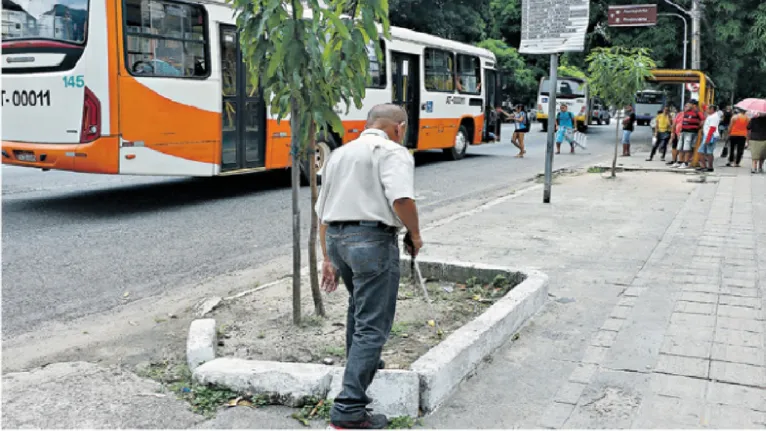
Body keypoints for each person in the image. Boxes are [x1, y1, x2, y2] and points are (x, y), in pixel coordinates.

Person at [316, 104, 422, 429]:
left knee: (358, 307)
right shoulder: (393, 151)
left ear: (368, 124)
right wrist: (415, 235)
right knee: (373, 325)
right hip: (371, 241)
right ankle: (348, 409)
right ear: (399, 127)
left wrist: (327, 259)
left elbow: (322, 210)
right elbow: (402, 199)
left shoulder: (340, 153)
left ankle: (365, 365)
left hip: (337, 238)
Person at [673, 101, 704, 169]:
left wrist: (698, 127)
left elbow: (702, 120)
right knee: (680, 147)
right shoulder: (685, 112)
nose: (686, 107)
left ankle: (686, 163)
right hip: (683, 131)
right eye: (685, 106)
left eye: (688, 105)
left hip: (690, 132)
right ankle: (680, 162)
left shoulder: (697, 112)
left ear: (693, 105)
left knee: (687, 148)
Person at [697, 104, 720, 172]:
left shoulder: (714, 117)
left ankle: (706, 166)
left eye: (708, 109)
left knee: (704, 152)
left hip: (710, 135)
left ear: (712, 109)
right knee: (707, 152)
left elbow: (712, 128)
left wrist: (708, 138)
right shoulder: (712, 115)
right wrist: (704, 106)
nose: (706, 110)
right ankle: (708, 167)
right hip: (709, 135)